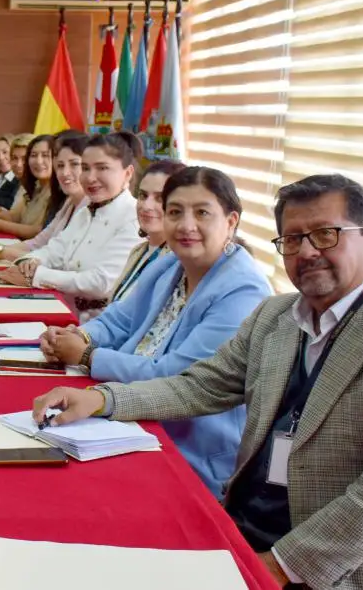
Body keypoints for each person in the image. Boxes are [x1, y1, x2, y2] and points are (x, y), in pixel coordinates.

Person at [31, 174, 363, 589]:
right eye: (293, 239)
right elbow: (201, 384)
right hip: (247, 527)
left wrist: (276, 567)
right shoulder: (277, 316)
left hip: (349, 566)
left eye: (325, 234)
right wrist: (102, 399)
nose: (307, 252)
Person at [40, 166, 272, 497]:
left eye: (202, 213)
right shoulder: (170, 263)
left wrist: (88, 356)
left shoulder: (244, 291)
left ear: (231, 221)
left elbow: (177, 377)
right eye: (175, 212)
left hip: (187, 445)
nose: (186, 225)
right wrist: (79, 336)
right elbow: (119, 319)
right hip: (125, 412)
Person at [0, 132, 144, 319]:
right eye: (85, 168)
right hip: (60, 310)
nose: (90, 177)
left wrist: (38, 275)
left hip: (94, 324)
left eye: (102, 168)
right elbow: (53, 250)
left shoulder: (133, 218)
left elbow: (100, 282)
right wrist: (30, 262)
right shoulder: (86, 211)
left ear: (127, 173)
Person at [108, 159, 188, 303]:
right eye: (143, 196)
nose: (146, 206)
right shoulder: (138, 251)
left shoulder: (179, 262)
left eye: (160, 198)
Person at [0, 134, 56, 240]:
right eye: (14, 158)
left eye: (45, 155)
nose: (19, 164)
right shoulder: (35, 186)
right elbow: (14, 217)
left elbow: (39, 232)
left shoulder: (56, 190)